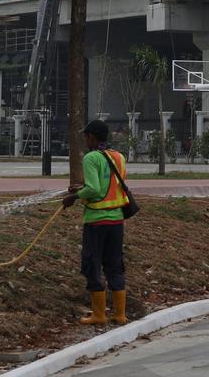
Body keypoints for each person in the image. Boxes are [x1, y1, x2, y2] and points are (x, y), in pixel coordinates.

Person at [62, 120, 130, 326]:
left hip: (96, 221)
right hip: (116, 220)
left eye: (86, 136)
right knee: (115, 265)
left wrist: (74, 197)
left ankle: (99, 315)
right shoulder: (119, 157)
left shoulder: (91, 157)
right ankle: (120, 315)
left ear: (91, 136)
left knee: (92, 264)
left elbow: (95, 190)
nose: (85, 139)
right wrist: (81, 188)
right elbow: (109, 184)